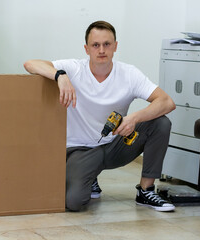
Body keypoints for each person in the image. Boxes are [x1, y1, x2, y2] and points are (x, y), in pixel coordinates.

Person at [24, 20, 176, 212]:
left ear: (115, 47)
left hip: (115, 145)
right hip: (81, 150)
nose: (101, 50)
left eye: (107, 44)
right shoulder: (74, 69)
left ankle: (145, 191)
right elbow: (30, 64)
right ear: (87, 49)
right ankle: (91, 178)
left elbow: (167, 102)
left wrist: (134, 118)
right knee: (74, 201)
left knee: (160, 123)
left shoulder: (128, 74)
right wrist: (60, 76)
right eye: (96, 45)